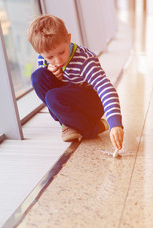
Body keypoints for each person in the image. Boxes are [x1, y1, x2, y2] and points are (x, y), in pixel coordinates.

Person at [27, 15, 124, 150]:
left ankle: (90, 129)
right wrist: (49, 71)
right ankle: (67, 123)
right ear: (40, 53)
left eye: (62, 52)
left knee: (52, 97)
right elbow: (45, 83)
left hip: (91, 104)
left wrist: (115, 124)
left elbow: (106, 88)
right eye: (50, 57)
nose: (58, 60)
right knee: (38, 76)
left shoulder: (85, 60)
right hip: (68, 98)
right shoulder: (43, 59)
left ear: (68, 38)